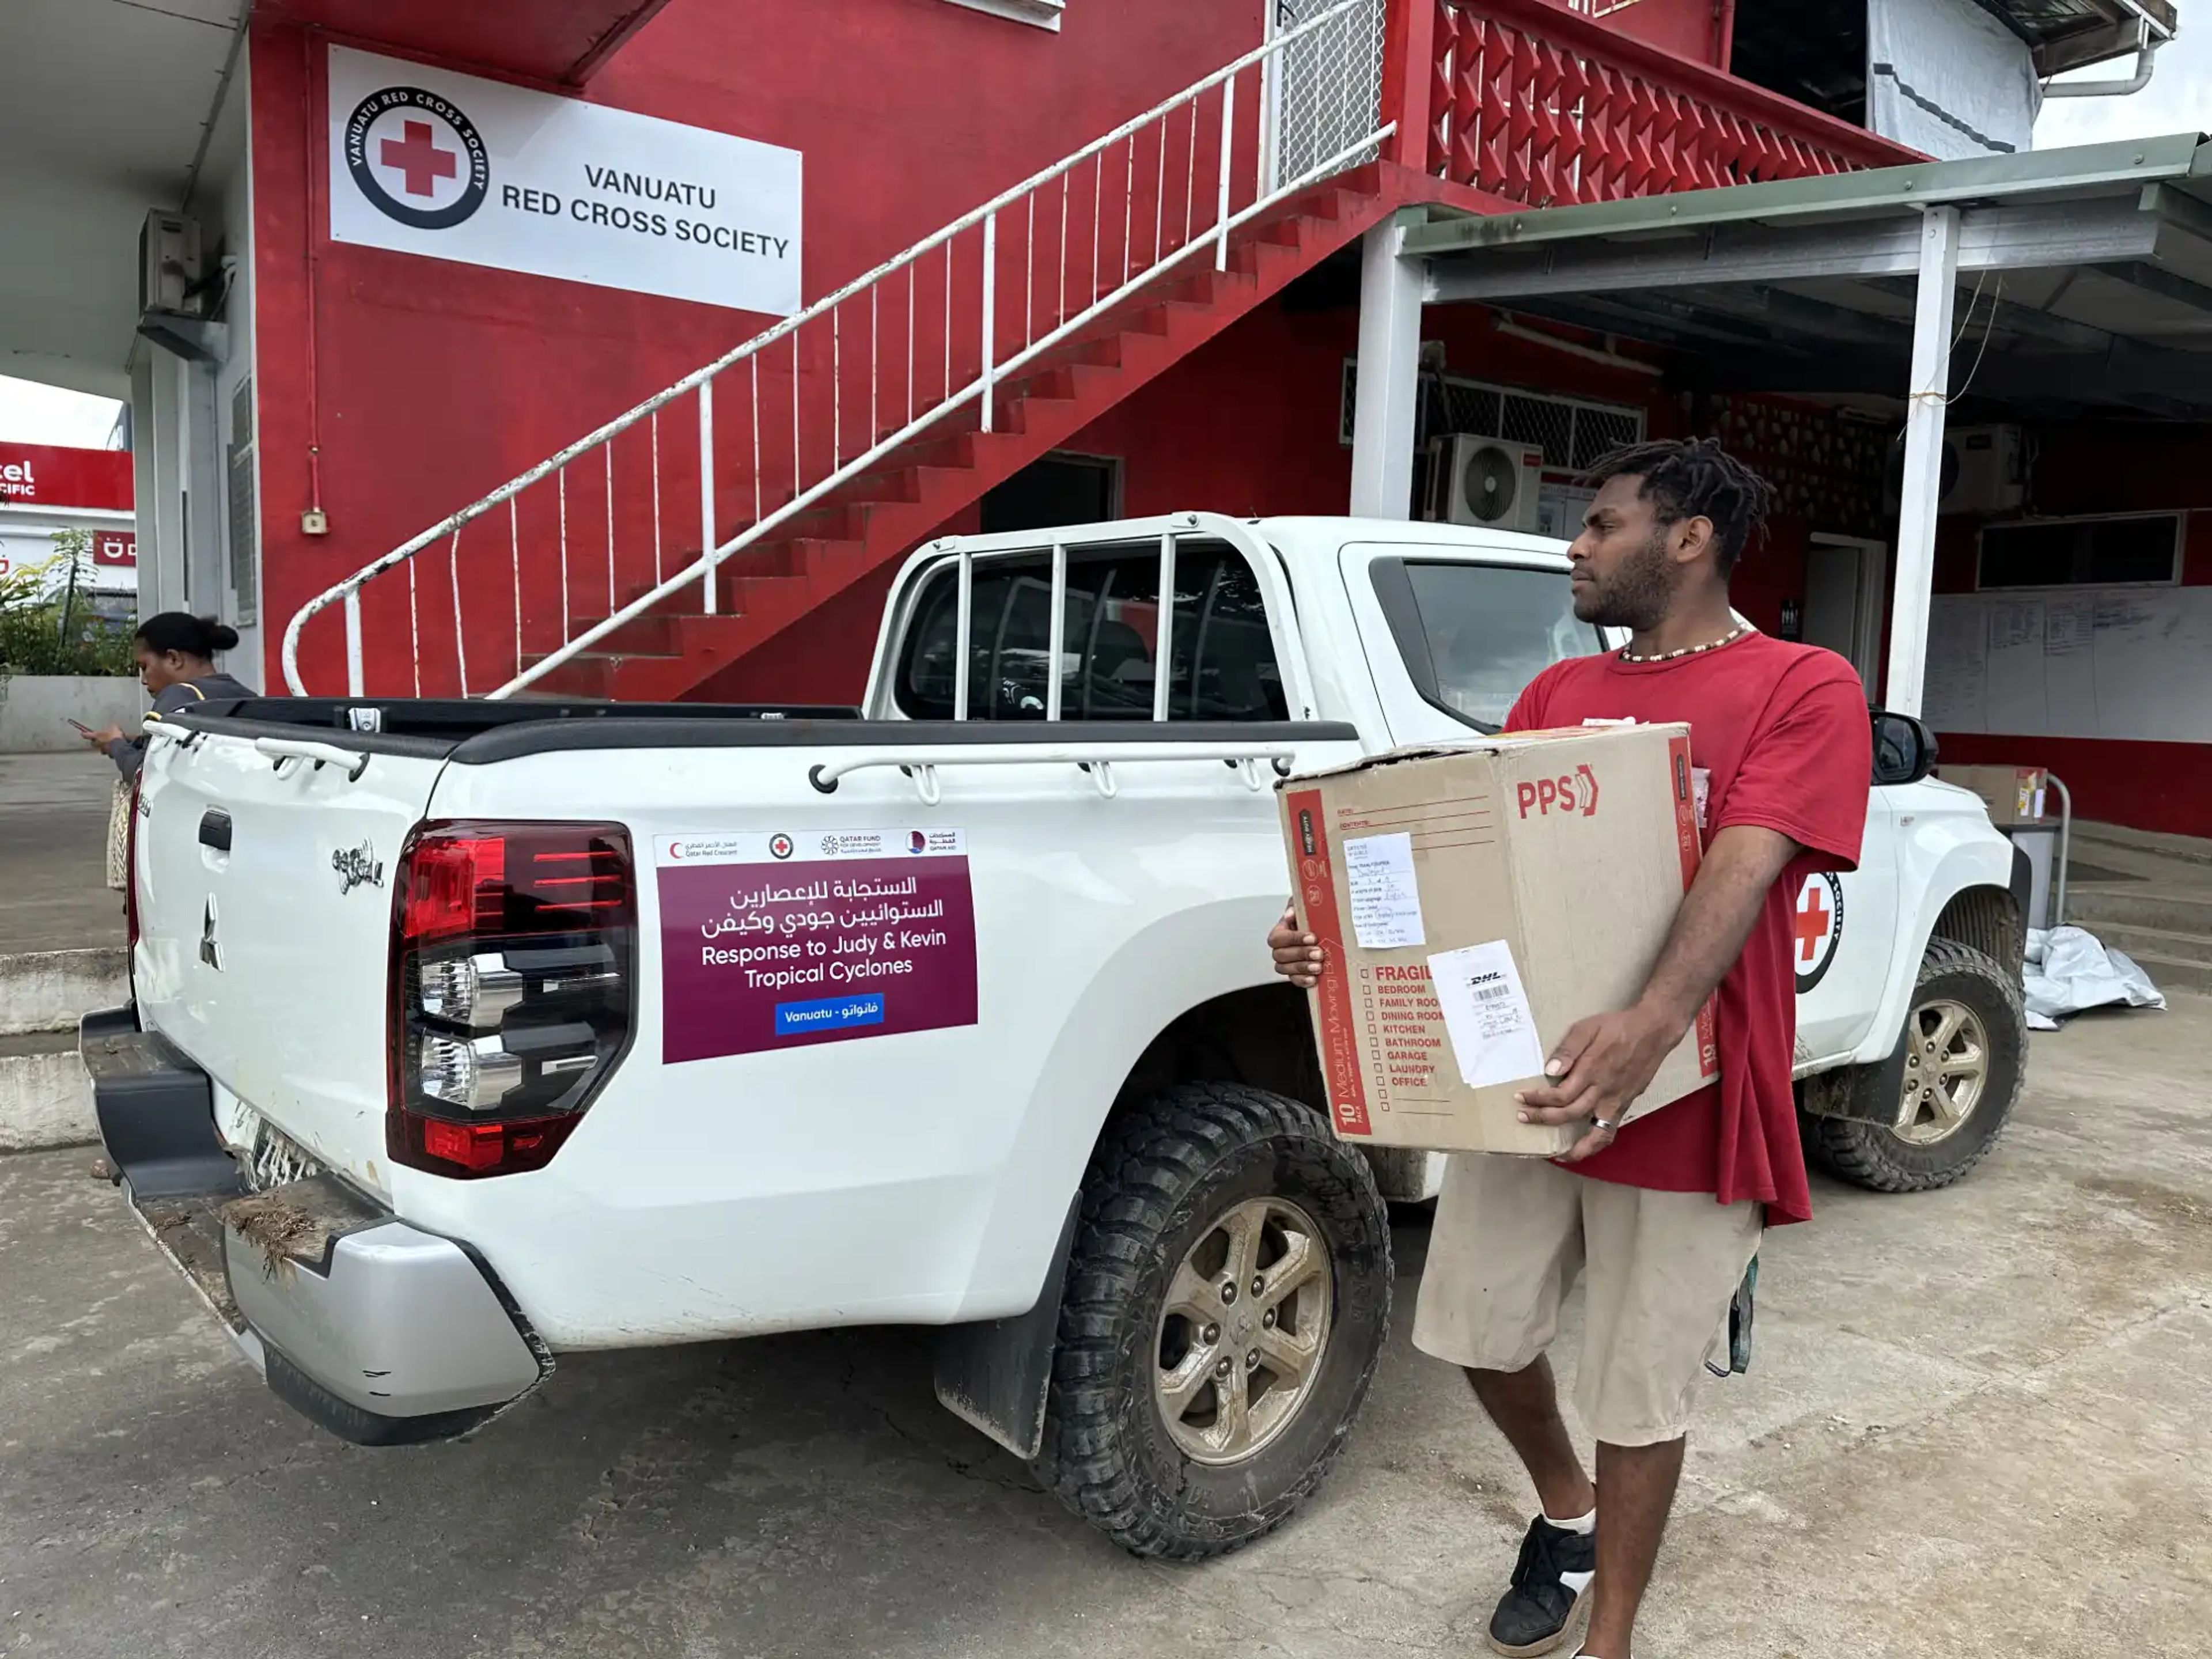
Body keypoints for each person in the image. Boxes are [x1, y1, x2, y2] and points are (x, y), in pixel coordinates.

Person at [1269, 438, 1871, 1659]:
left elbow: (1746, 864)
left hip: (1691, 1096)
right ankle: (1567, 1509)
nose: (1576, 546)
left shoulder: (1802, 684)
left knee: (1640, 1387)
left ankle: (1611, 1639)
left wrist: (1652, 1024)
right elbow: (1476, 870)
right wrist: (1332, 931)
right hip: (1535, 1086)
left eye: (1604, 525)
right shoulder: (1555, 695)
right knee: (1477, 1334)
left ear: (1687, 539)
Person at [85, 613, 258, 782]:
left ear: (174, 659)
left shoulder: (178, 695)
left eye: (145, 667)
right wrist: (131, 741)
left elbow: (142, 773)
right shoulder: (249, 697)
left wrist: (115, 744)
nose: (143, 680)